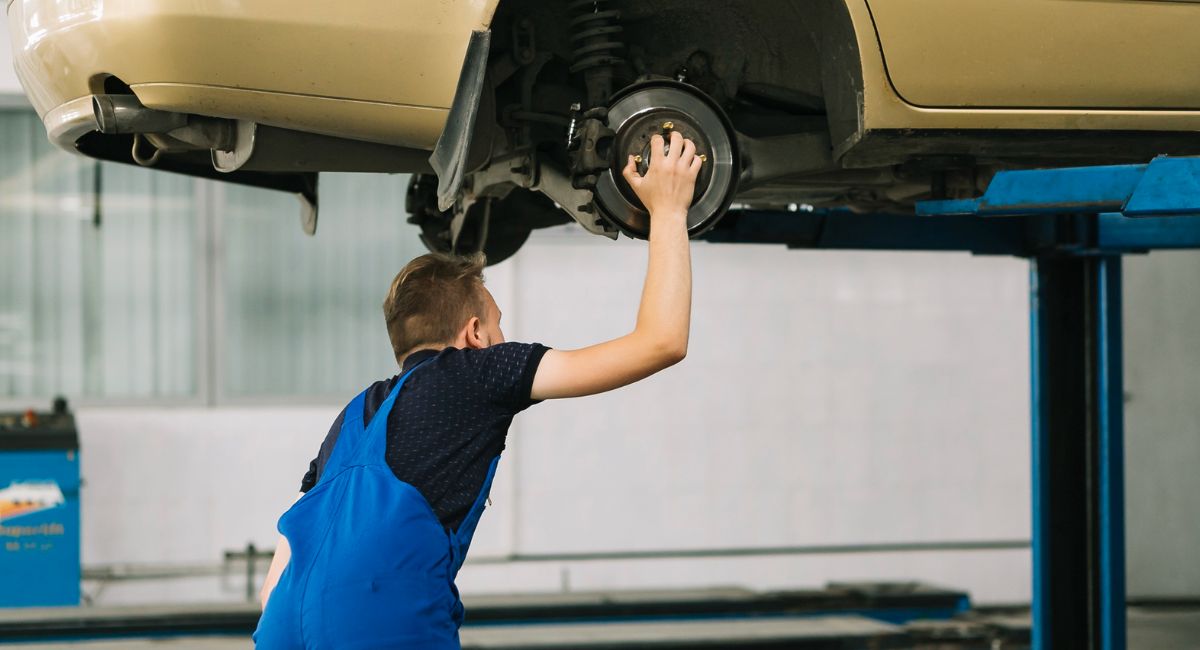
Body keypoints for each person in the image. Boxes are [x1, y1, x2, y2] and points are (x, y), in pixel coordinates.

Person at [253, 130, 703, 649]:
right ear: (472, 335)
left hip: (283, 625)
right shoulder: (475, 373)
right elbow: (661, 341)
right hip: (378, 622)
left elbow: (283, 563)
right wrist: (669, 209)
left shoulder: (355, 415)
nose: (502, 339)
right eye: (497, 325)